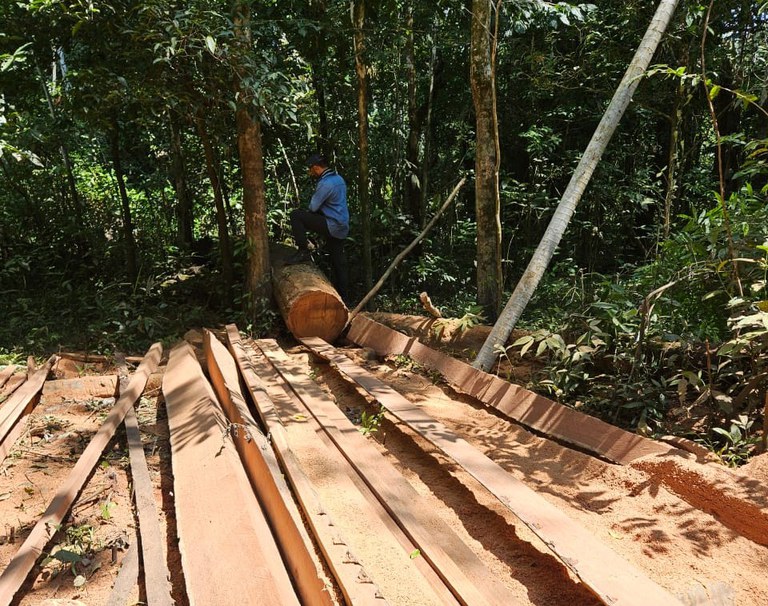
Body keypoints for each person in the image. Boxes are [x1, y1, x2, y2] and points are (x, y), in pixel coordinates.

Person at [290, 153, 350, 303]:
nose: (310, 173)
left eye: (311, 170)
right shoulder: (339, 179)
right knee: (338, 261)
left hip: (332, 224)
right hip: (341, 226)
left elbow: (313, 207)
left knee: (296, 215)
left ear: (316, 168)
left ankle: (303, 250)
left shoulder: (325, 184)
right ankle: (344, 297)